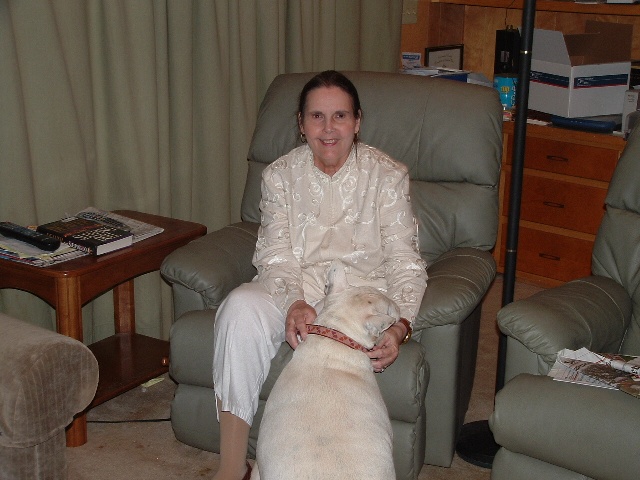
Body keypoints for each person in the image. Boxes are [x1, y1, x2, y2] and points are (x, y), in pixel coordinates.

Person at [211, 70, 428, 480]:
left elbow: (406, 262)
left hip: (359, 300)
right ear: (301, 123)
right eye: (317, 117)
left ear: (357, 122)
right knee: (240, 307)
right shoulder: (279, 176)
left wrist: (400, 325)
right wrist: (294, 302)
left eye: (340, 116)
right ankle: (232, 466)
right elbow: (275, 254)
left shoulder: (387, 176)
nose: (328, 129)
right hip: (298, 287)